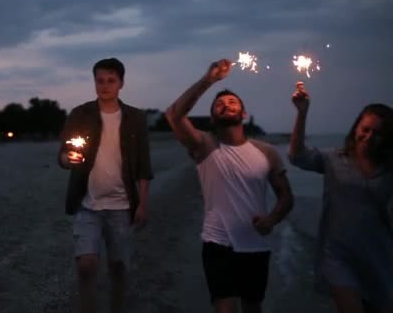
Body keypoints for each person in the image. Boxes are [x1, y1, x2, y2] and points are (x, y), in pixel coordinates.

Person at [165, 59, 294, 313]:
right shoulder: (203, 145)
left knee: (253, 308)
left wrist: (272, 220)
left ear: (243, 114)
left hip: (256, 245)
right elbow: (173, 114)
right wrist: (208, 80)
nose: (226, 105)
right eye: (220, 104)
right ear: (213, 116)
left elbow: (286, 196)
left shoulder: (266, 152)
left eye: (233, 102)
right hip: (217, 243)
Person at [58, 58, 153, 313]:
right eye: (100, 80)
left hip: (121, 206)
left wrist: (142, 203)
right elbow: (63, 155)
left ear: (121, 83)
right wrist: (69, 159)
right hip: (86, 203)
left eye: (111, 80)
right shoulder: (80, 114)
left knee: (119, 267)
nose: (105, 85)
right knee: (86, 265)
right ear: (94, 82)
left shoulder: (135, 118)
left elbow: (144, 165)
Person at [288, 81, 393, 312]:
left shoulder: (388, 168)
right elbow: (297, 156)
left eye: (377, 133)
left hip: (378, 254)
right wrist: (302, 113)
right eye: (365, 129)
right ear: (356, 127)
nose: (368, 136)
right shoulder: (334, 158)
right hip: (338, 254)